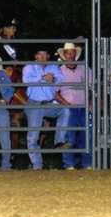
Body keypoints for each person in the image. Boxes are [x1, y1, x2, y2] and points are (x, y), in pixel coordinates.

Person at [22, 49, 68, 170]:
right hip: (34, 104)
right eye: (40, 54)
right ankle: (37, 165)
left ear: (48, 55)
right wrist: (43, 76)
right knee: (33, 137)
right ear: (36, 55)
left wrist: (53, 79)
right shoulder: (29, 67)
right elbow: (26, 80)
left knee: (65, 110)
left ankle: (59, 141)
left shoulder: (53, 67)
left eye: (45, 54)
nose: (42, 56)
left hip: (48, 104)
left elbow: (61, 79)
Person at [55, 42, 93, 170]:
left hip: (84, 107)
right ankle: (69, 164)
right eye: (68, 53)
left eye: (72, 53)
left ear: (75, 54)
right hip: (68, 109)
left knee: (87, 136)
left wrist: (91, 103)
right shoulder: (59, 71)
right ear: (64, 55)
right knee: (69, 137)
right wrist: (65, 104)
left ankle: (87, 164)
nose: (70, 55)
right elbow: (54, 92)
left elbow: (92, 88)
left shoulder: (85, 69)